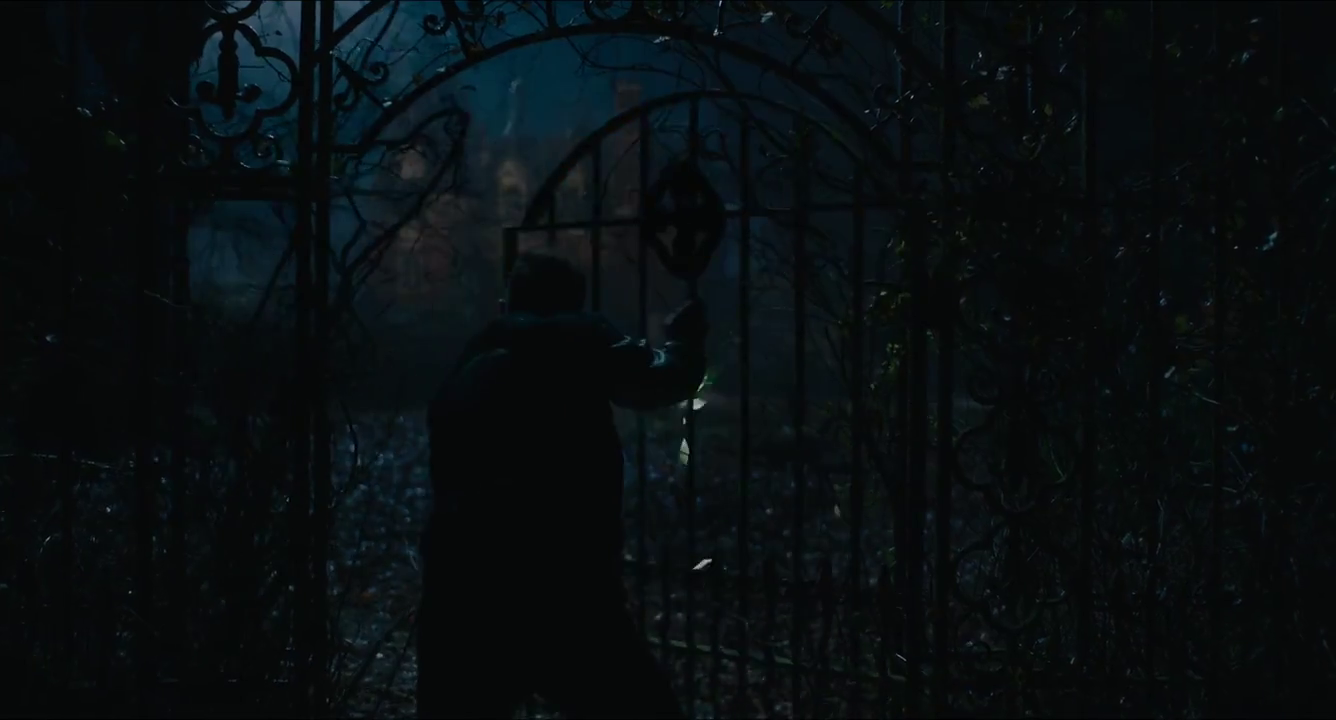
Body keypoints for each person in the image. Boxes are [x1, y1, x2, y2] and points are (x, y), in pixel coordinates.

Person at [416, 251, 707, 719]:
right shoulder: (578, 339)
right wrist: (684, 342)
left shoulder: (475, 356)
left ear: (509, 301)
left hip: (461, 583)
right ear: (573, 302)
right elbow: (661, 382)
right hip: (563, 584)